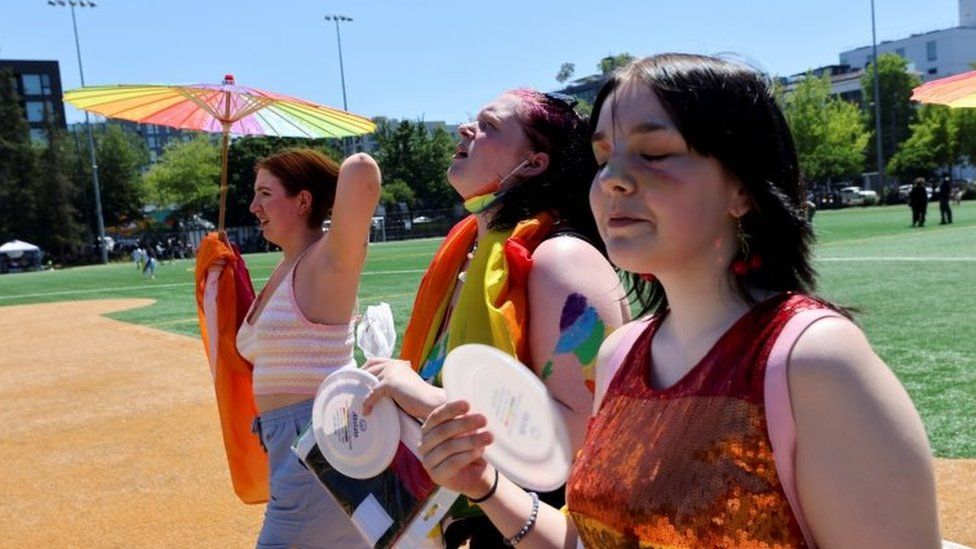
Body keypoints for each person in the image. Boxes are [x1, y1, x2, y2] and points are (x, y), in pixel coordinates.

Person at [419, 54, 940, 548]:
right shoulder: (619, 354)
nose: (613, 180)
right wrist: (484, 483)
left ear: (743, 189)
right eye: (604, 156)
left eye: (654, 153)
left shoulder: (812, 361)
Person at [361, 89, 629, 547]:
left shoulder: (561, 260)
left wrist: (422, 396)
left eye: (489, 125)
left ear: (534, 163)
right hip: (482, 517)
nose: (467, 129)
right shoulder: (473, 251)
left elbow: (581, 440)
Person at [235, 149, 380, 548]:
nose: (253, 206)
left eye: (265, 193)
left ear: (303, 201)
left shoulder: (328, 261)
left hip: (317, 442)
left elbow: (363, 170)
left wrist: (327, 177)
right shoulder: (286, 266)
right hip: (289, 443)